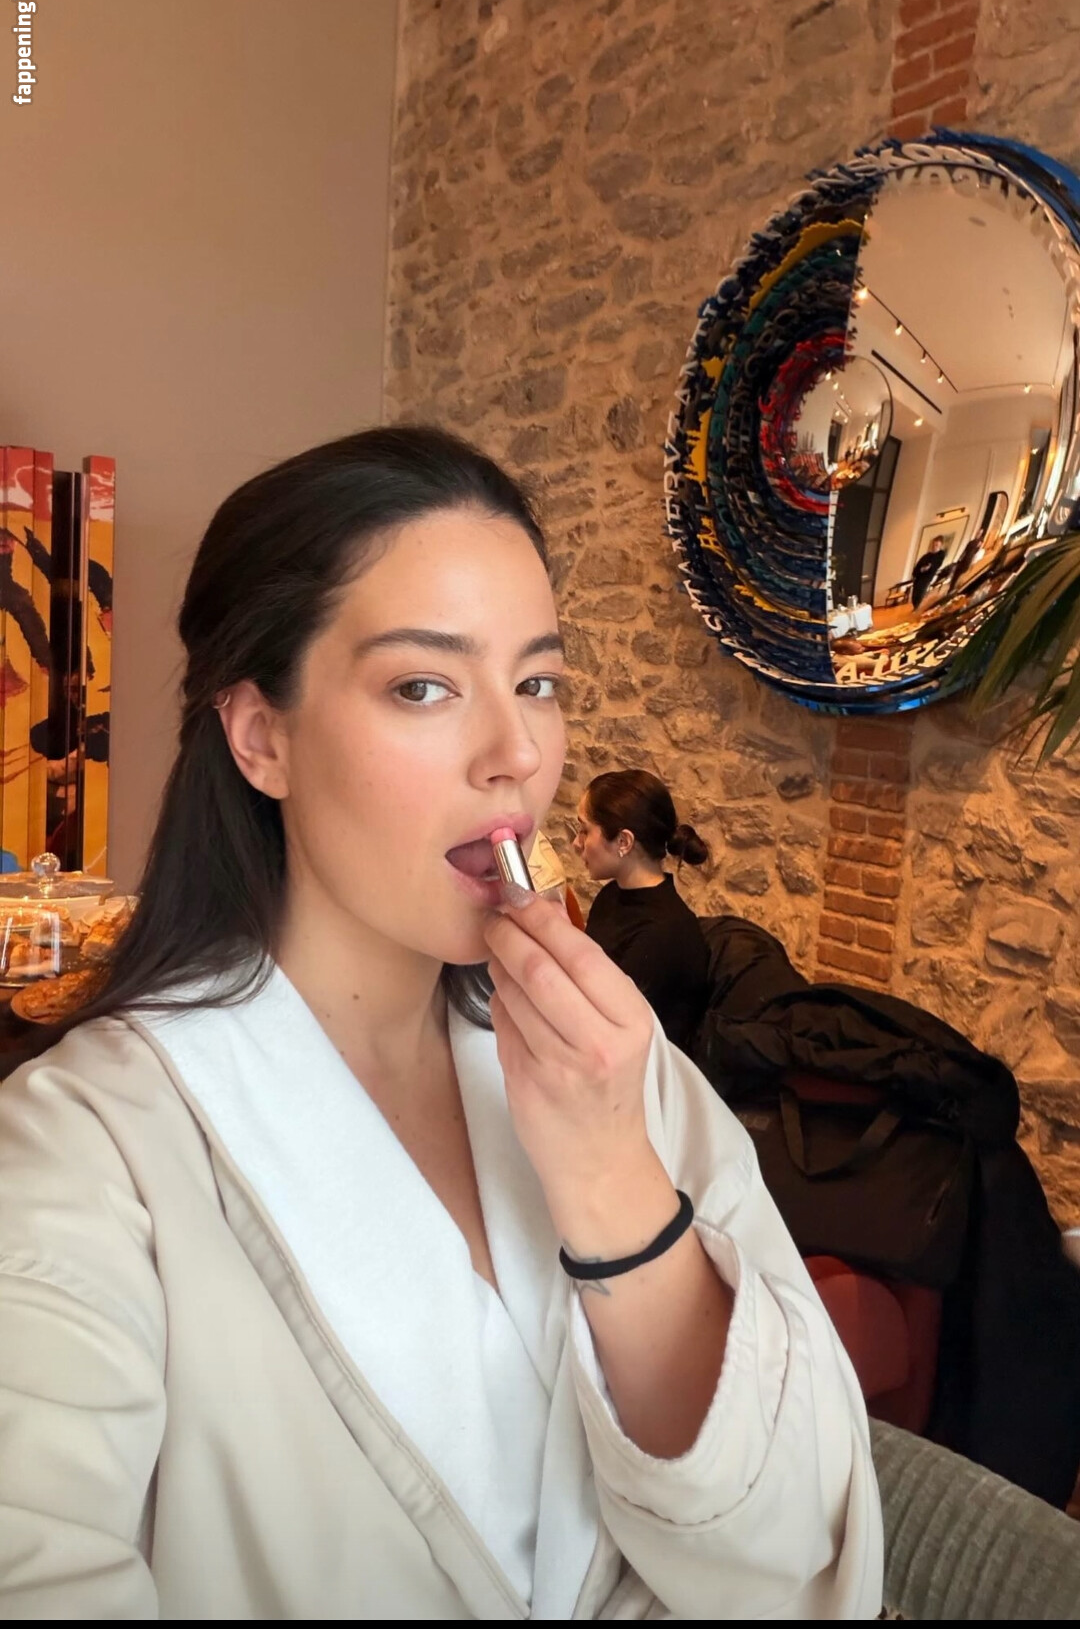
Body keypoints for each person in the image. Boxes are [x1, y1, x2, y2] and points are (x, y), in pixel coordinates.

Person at [0, 427, 882, 1618]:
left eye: (538, 683)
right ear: (262, 736)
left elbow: (795, 1542)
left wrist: (614, 1181)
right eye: (424, 685)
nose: (516, 753)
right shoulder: (81, 1154)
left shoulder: (622, 1075)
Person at [575, 770, 713, 1050]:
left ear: (623, 842)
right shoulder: (611, 895)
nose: (576, 844)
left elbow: (610, 1033)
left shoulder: (665, 934)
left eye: (585, 830)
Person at [910, 534, 948, 609]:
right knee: (914, 596)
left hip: (926, 579)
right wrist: (921, 570)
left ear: (940, 546)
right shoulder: (926, 556)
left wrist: (930, 567)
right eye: (933, 545)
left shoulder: (940, 555)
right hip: (918, 577)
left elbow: (937, 564)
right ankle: (915, 608)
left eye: (937, 545)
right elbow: (917, 567)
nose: (934, 547)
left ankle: (916, 609)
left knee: (920, 594)